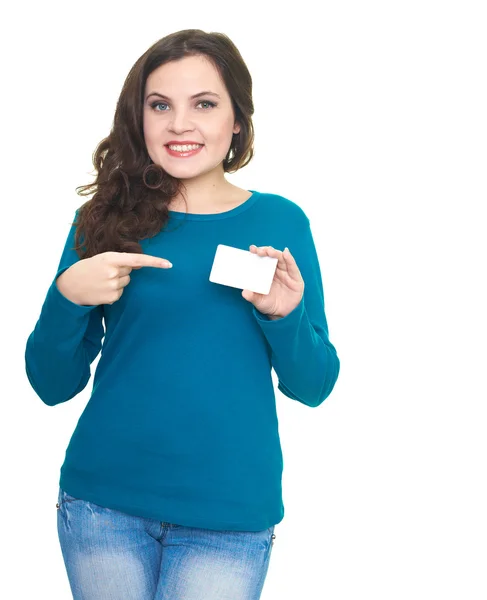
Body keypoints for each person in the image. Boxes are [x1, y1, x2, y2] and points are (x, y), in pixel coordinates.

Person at [24, 28, 340, 600]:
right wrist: (67, 295)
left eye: (205, 104)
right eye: (160, 105)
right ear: (138, 116)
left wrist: (285, 317)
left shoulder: (279, 222)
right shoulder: (103, 218)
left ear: (237, 119)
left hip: (229, 513)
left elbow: (314, 385)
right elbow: (51, 384)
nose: (179, 124)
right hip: (103, 503)